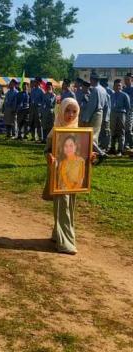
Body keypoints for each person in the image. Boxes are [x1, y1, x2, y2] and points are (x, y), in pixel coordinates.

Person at [45, 98, 95, 255]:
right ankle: (66, 243)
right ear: (61, 111)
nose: (70, 114)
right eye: (67, 110)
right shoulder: (55, 131)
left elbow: (83, 154)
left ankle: (57, 234)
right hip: (59, 176)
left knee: (68, 206)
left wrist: (91, 157)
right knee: (63, 205)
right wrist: (49, 157)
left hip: (74, 177)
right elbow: (47, 151)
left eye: (74, 111)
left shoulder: (80, 133)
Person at [80, 72, 109, 164]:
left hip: (94, 114)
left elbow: (91, 106)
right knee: (95, 136)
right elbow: (106, 104)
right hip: (100, 113)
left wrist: (85, 118)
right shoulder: (103, 89)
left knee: (90, 137)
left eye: (90, 79)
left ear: (93, 80)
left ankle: (100, 154)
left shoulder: (95, 90)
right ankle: (94, 156)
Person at [109, 79, 131, 156]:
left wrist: (126, 117)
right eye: (116, 86)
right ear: (113, 87)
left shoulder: (125, 95)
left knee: (121, 132)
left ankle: (120, 150)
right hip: (113, 114)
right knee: (113, 131)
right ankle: (112, 148)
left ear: (121, 87)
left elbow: (128, 107)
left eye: (119, 86)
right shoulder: (111, 95)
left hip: (121, 114)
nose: (118, 87)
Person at [99, 78, 113, 152]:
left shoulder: (108, 93)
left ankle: (107, 146)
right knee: (102, 131)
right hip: (102, 114)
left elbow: (109, 107)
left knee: (106, 131)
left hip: (106, 115)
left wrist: (106, 117)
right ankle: (103, 145)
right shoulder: (103, 91)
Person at [29, 77, 45, 142]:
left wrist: (41, 108)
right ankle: (33, 137)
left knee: (38, 123)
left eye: (35, 81)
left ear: (38, 83)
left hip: (38, 109)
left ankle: (40, 137)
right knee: (32, 122)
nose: (34, 82)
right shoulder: (32, 90)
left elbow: (43, 101)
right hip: (32, 108)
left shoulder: (41, 91)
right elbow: (31, 99)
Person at [123, 73, 133, 150]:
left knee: (129, 128)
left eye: (128, 79)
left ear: (131, 80)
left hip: (130, 110)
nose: (126, 81)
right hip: (124, 111)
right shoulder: (124, 90)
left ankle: (130, 144)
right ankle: (126, 144)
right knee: (125, 128)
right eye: (125, 79)